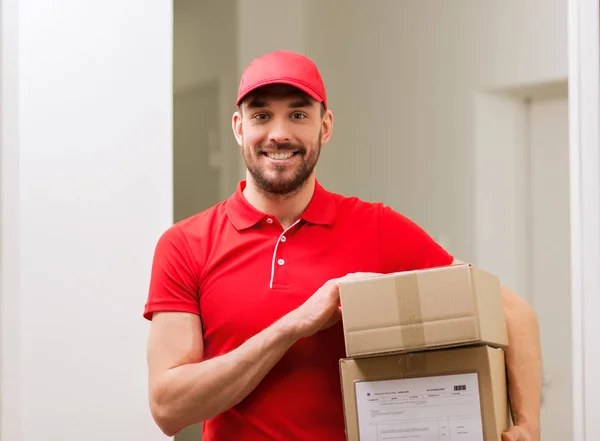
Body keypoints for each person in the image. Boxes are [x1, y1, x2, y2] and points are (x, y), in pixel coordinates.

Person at [143, 50, 541, 441]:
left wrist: (527, 426)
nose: (279, 133)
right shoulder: (185, 245)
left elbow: (511, 312)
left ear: (325, 126)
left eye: (298, 115)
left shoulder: (377, 228)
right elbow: (169, 409)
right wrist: (294, 325)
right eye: (262, 115)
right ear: (238, 127)